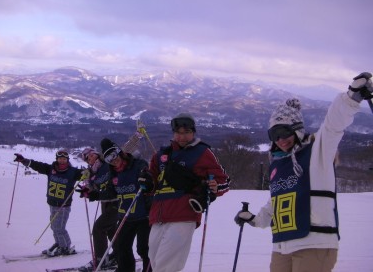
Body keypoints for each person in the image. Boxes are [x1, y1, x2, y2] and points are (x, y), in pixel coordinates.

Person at [234, 72, 373, 272]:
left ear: (297, 130)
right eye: (275, 134)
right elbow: (277, 201)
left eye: (285, 132)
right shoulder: (278, 164)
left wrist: (351, 98)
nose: (281, 139)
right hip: (282, 245)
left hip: (314, 242)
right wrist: (255, 219)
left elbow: (333, 126)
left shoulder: (317, 152)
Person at [142, 113, 230, 272]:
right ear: (173, 133)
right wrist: (147, 183)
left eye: (186, 132)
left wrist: (214, 187)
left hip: (184, 213)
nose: (182, 137)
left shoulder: (201, 152)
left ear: (193, 132)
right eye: (178, 133)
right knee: (155, 262)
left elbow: (223, 180)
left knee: (166, 266)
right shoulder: (162, 155)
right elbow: (152, 183)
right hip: (158, 215)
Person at [14, 149, 83, 256]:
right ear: (57, 159)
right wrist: (23, 161)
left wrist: (88, 172)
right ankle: (60, 243)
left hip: (63, 206)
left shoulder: (73, 172)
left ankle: (65, 247)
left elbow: (89, 173)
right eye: (60, 159)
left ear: (67, 160)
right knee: (54, 226)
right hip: (52, 203)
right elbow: (37, 165)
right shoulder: (51, 169)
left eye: (64, 159)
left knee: (59, 228)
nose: (62, 161)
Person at [100, 138, 152, 272]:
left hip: (144, 216)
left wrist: (145, 177)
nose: (113, 160)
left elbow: (147, 175)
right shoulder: (114, 173)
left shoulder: (137, 164)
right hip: (125, 217)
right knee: (121, 247)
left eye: (113, 155)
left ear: (119, 152)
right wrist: (93, 193)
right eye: (108, 159)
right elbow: (110, 192)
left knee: (144, 248)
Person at [76, 148, 119, 272]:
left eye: (91, 155)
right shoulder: (91, 173)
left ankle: (101, 260)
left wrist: (137, 136)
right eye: (87, 158)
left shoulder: (108, 162)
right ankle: (119, 254)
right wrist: (86, 190)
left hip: (117, 201)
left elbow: (125, 151)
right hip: (105, 203)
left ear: (96, 153)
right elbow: (93, 189)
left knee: (98, 228)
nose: (90, 158)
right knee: (110, 230)